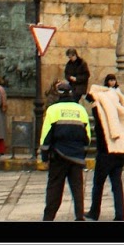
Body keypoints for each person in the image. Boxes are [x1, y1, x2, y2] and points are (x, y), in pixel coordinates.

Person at [88, 72, 124, 221]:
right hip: (120, 153)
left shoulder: (105, 117)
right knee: (117, 185)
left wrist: (95, 104)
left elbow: (100, 123)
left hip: (106, 154)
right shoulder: (120, 112)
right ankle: (120, 214)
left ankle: (94, 212)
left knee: (98, 184)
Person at [40, 80, 92, 220]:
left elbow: (46, 136)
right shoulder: (80, 109)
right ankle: (79, 217)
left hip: (58, 156)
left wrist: (45, 157)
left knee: (54, 189)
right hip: (76, 156)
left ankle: (48, 218)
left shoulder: (53, 110)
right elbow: (87, 136)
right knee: (77, 189)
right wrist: (83, 153)